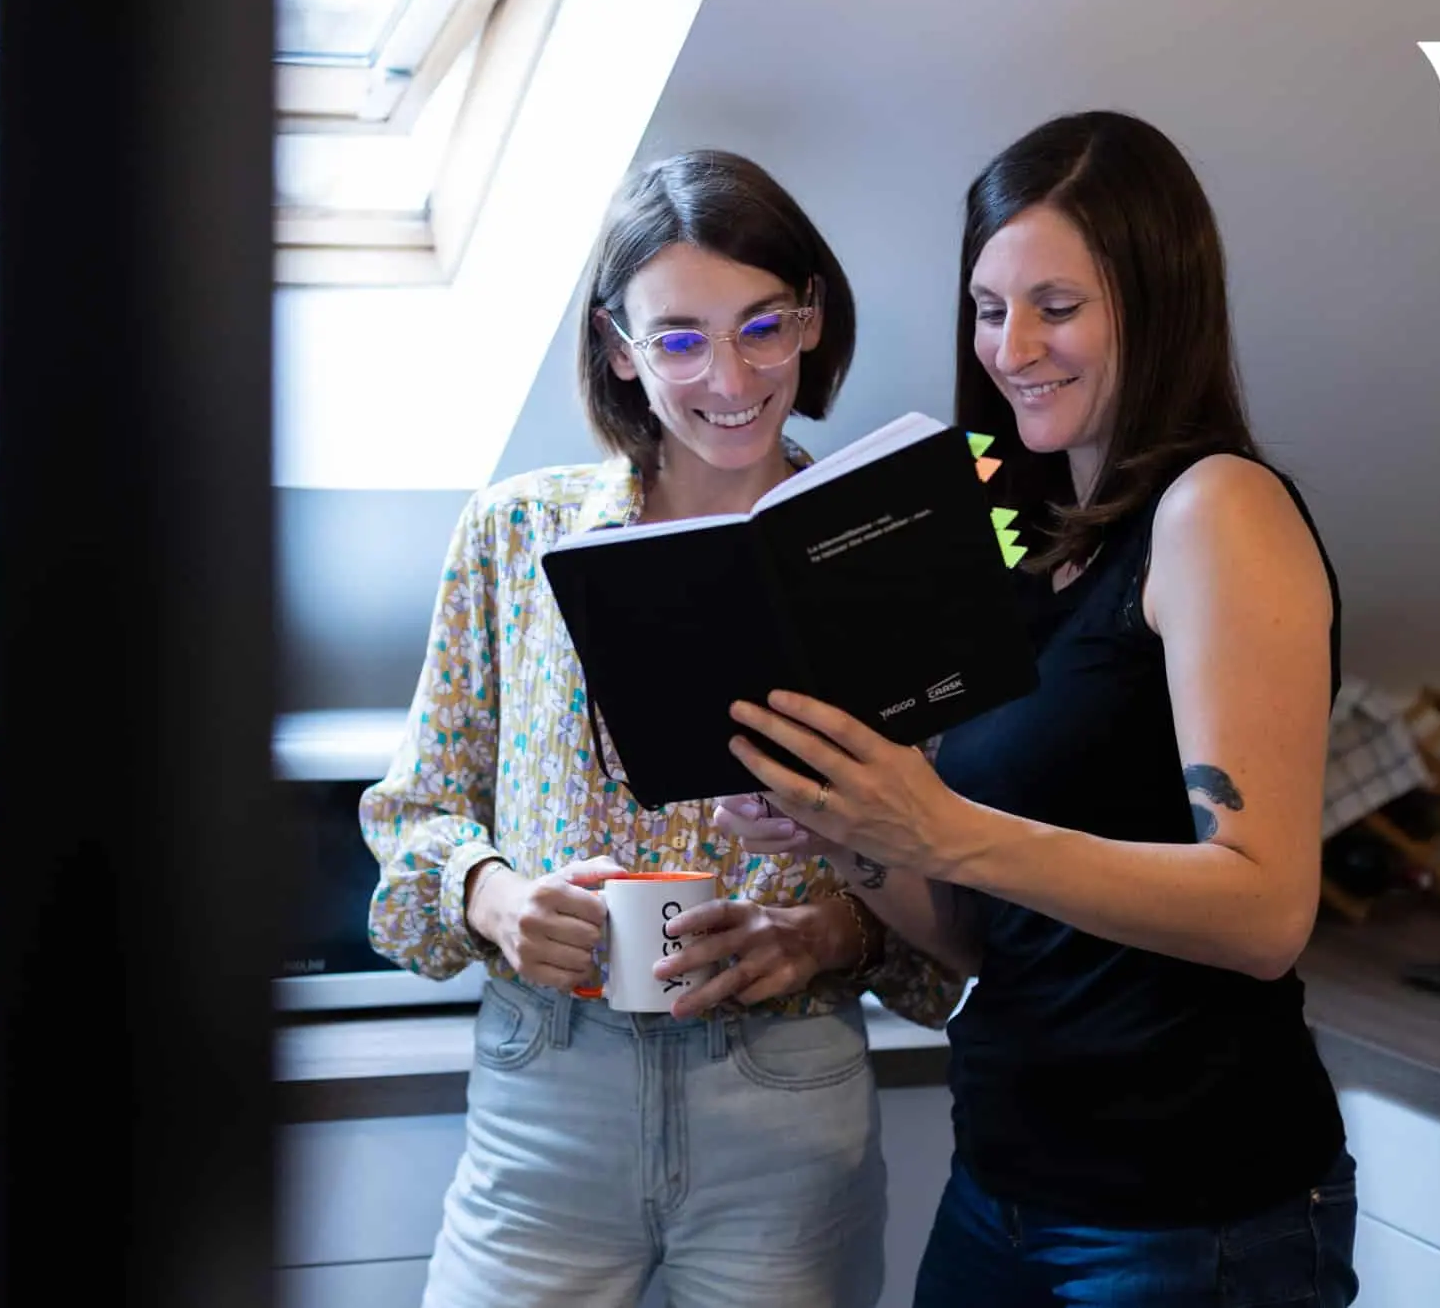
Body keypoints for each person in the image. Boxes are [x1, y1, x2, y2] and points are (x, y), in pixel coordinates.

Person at [688, 111, 1361, 1307]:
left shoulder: (1217, 510)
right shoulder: (1030, 549)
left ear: (1156, 299)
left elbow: (1263, 910)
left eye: (1057, 306)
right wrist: (853, 827)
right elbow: (976, 938)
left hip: (1186, 1216)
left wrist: (943, 825)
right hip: (1006, 1185)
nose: (1012, 348)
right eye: (988, 309)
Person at [359, 149, 968, 1308]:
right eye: (679, 337)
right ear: (617, 347)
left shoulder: (887, 549)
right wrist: (496, 895)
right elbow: (414, 813)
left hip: (783, 1104)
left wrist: (820, 934)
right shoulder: (514, 535)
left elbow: (944, 879)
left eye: (761, 327)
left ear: (810, 322)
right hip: (547, 1094)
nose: (728, 376)